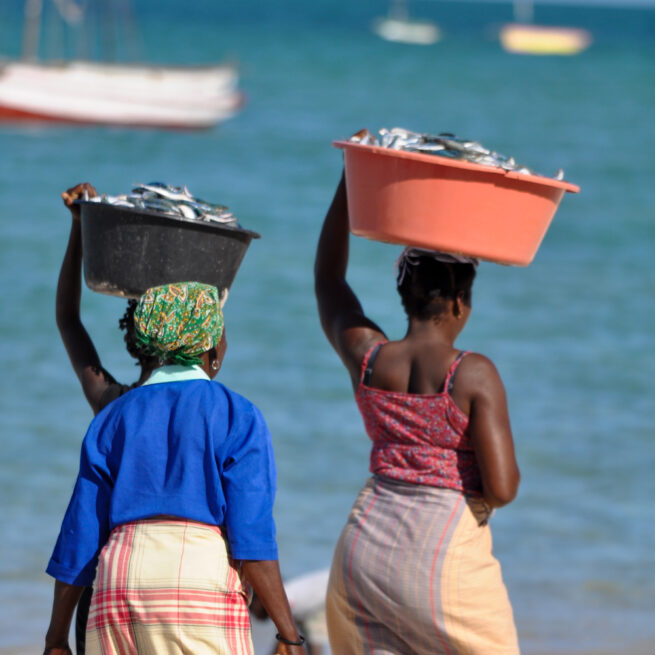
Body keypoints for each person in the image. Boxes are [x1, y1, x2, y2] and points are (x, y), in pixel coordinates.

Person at [314, 172, 521, 655]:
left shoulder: (368, 357)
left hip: (364, 551)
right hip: (440, 557)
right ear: (458, 302)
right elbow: (502, 488)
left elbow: (328, 280)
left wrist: (349, 179)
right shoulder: (473, 374)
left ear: (404, 295)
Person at [43, 281, 308, 655]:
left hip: (118, 581)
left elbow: (80, 537)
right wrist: (289, 634)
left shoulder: (113, 416)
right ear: (211, 347)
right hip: (196, 584)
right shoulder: (237, 414)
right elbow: (252, 541)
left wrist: (56, 637)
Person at [56, 182, 160, 653]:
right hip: (179, 586)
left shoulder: (113, 404)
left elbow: (68, 319)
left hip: (107, 583)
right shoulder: (209, 412)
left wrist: (79, 228)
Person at [250, 568, 330, 655]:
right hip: (312, 605)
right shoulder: (284, 595)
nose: (253, 613)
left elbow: (285, 638)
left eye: (252, 608)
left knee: (313, 637)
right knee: (311, 635)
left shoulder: (284, 599)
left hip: (329, 589)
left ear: (259, 599)